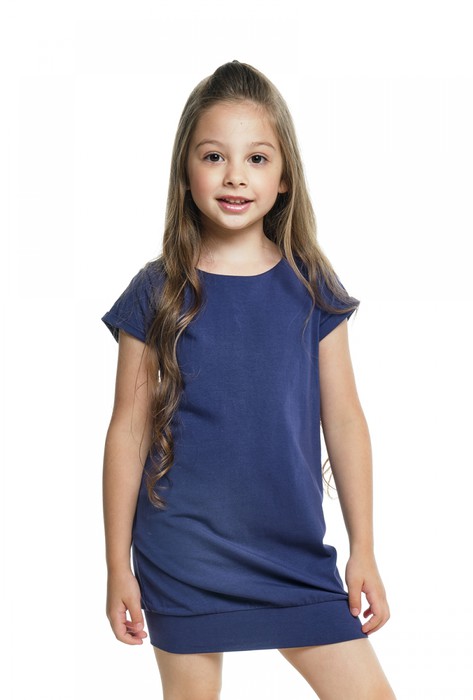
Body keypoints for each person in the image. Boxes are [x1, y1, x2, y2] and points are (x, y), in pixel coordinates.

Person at [101, 60, 396, 700]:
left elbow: (345, 418)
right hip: (184, 555)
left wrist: (364, 548)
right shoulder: (156, 291)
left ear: (284, 177)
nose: (235, 175)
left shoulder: (311, 285)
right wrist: (116, 564)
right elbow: (127, 430)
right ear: (186, 171)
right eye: (214, 156)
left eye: (257, 158)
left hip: (293, 555)